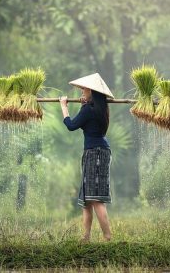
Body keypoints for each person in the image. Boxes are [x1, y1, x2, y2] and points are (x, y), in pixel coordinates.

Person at [59, 73, 114, 242]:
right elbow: (87, 118)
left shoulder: (89, 110)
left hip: (95, 153)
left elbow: (71, 125)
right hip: (98, 151)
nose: (82, 91)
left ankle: (107, 237)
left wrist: (64, 106)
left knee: (96, 199)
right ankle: (86, 237)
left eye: (84, 89)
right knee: (87, 199)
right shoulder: (99, 108)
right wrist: (85, 104)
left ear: (91, 90)